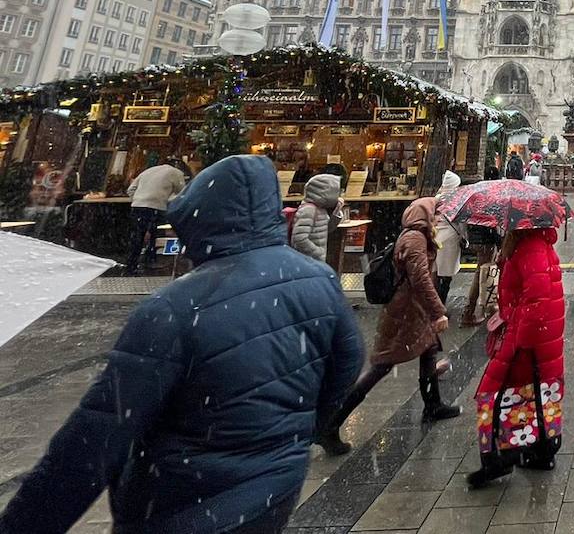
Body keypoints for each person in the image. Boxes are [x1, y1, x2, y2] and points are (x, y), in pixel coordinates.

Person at [0, 154, 364, 534]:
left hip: (180, 506)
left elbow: (94, 440)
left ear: (200, 216)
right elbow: (348, 362)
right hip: (274, 491)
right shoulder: (319, 279)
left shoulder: (174, 307)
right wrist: (294, 436)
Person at [317, 198, 463, 455]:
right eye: (435, 215)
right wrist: (438, 311)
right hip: (405, 313)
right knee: (381, 366)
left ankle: (433, 404)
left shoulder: (418, 236)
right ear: (425, 216)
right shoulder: (414, 240)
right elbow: (420, 280)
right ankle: (331, 422)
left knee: (428, 351)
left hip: (413, 311)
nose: (438, 219)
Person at [467, 225, 567, 488]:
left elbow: (537, 299)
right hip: (538, 339)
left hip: (527, 341)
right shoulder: (529, 245)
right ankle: (541, 450)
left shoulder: (530, 247)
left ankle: (496, 458)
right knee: (539, 392)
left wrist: (518, 338)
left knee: (492, 394)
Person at [122, 158, 188, 274]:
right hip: (156, 207)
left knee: (138, 235)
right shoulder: (176, 173)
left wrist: (138, 200)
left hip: (137, 206)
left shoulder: (148, 171)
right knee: (155, 231)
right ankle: (151, 257)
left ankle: (131, 264)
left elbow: (130, 189)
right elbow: (183, 193)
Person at [291, 171, 341, 263]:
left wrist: (336, 211)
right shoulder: (309, 210)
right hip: (308, 261)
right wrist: (318, 253)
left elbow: (327, 229)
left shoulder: (320, 209)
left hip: (314, 261)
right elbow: (299, 239)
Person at [435, 170, 464, 305]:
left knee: (434, 274)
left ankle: (433, 306)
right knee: (446, 277)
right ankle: (440, 306)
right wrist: (465, 238)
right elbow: (461, 224)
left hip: (435, 239)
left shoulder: (436, 199)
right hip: (450, 241)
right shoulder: (456, 201)